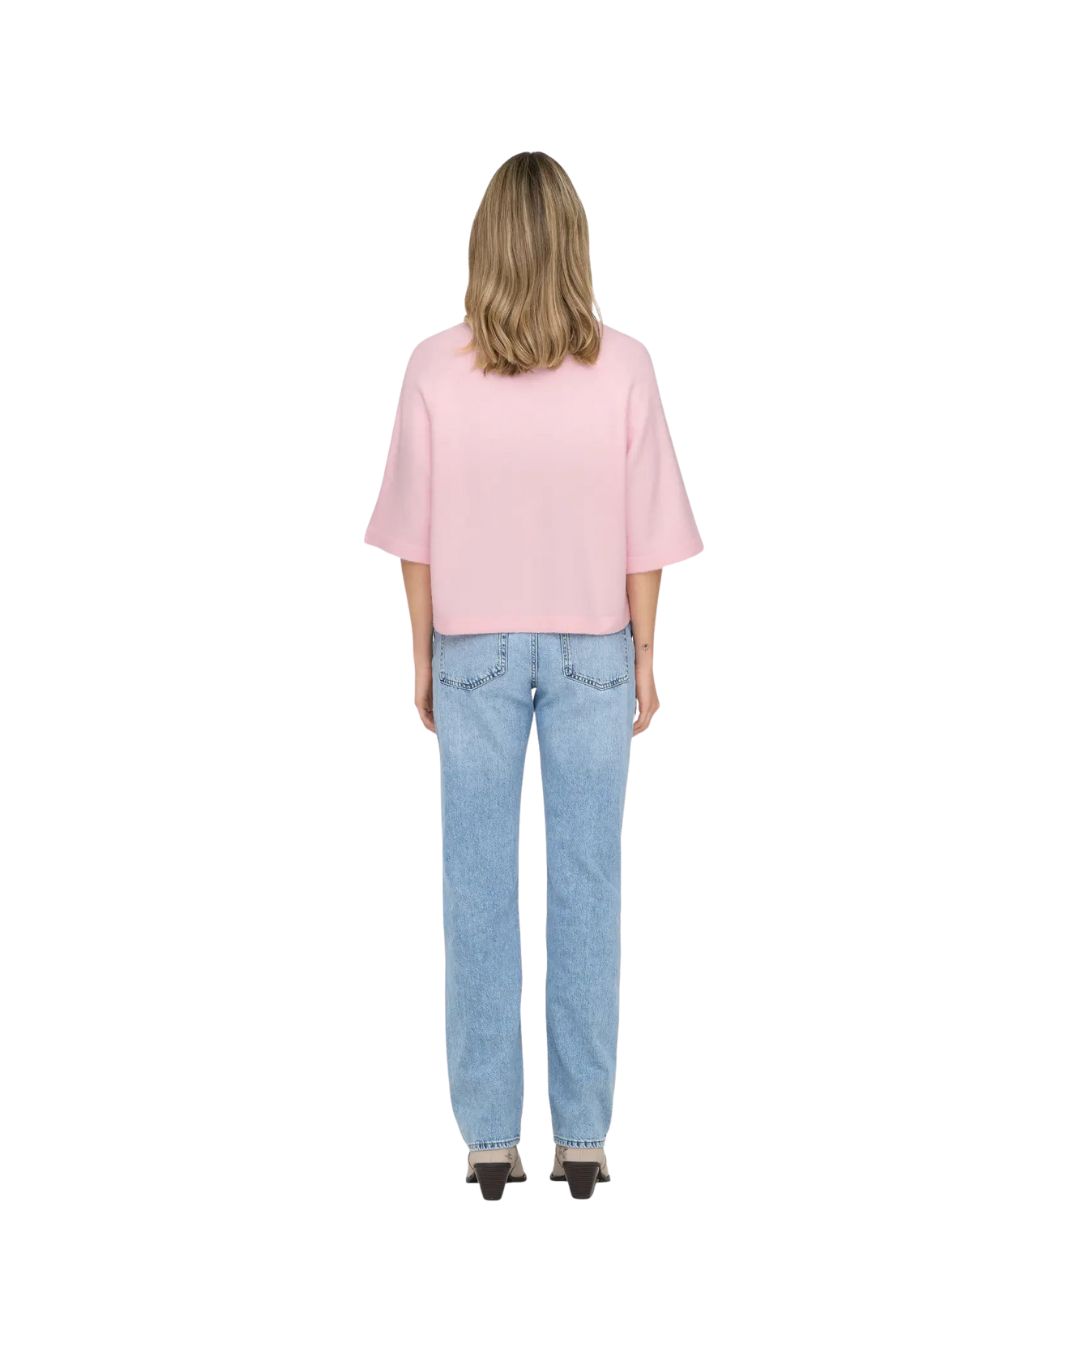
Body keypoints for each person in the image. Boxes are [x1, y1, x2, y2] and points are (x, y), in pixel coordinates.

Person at [365, 151, 703, 1200]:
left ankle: (488, 1141)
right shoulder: (627, 365)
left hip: (473, 645)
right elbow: (647, 530)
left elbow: (415, 534)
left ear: (486, 245)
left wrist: (422, 653)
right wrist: (644, 652)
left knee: (475, 884)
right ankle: (584, 1139)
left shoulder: (433, 367)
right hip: (596, 642)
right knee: (589, 882)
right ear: (574, 243)